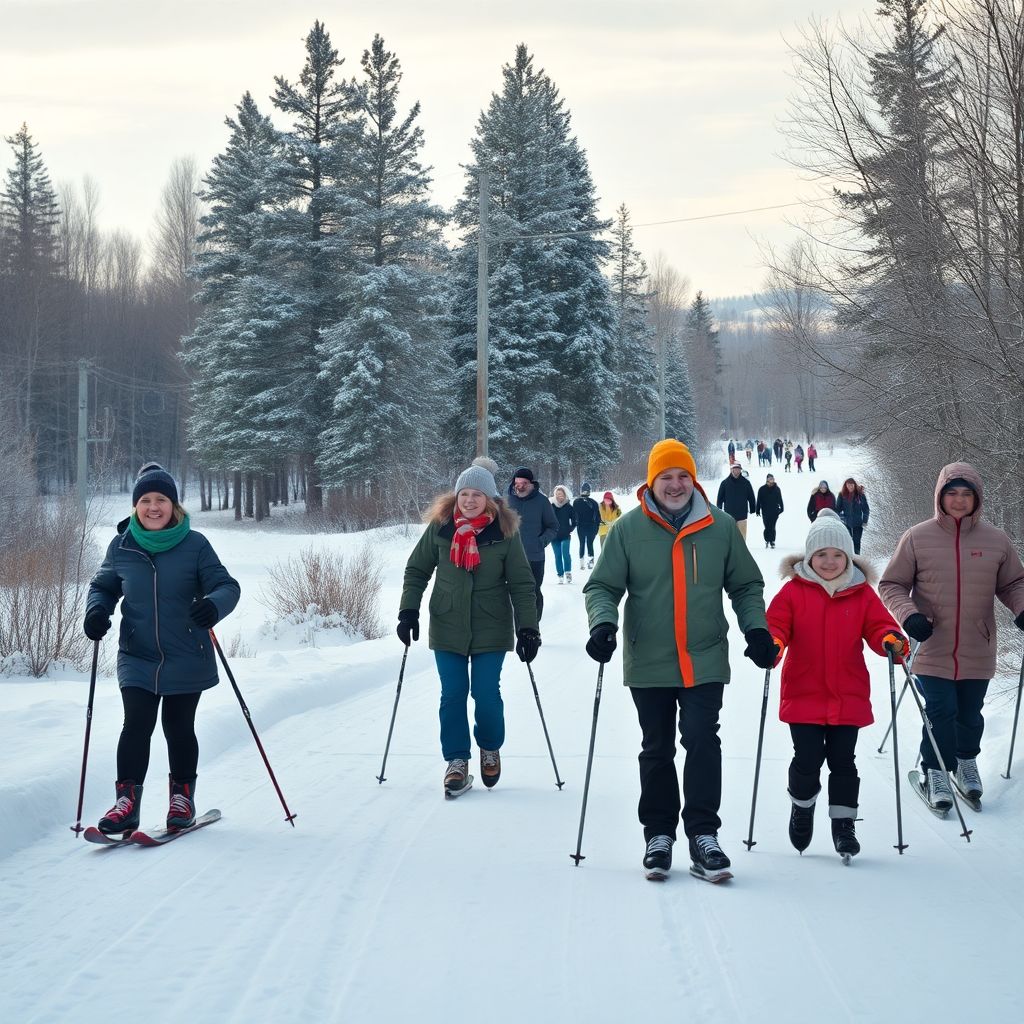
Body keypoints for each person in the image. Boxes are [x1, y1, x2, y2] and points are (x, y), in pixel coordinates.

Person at [583, 438, 775, 882]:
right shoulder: (629, 529)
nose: (674, 485)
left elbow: (746, 585)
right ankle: (659, 833)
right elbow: (602, 587)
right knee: (657, 747)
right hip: (648, 658)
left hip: (704, 657)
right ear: (652, 482)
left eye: (682, 476)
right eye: (665, 477)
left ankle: (703, 834)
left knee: (702, 740)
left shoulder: (720, 527)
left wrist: (756, 629)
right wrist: (602, 624)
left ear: (694, 480)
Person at [83, 463, 240, 835]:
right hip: (137, 655)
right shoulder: (122, 545)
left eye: (162, 500)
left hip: (187, 653)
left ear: (174, 505)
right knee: (136, 724)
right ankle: (127, 804)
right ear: (136, 505)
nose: (154, 507)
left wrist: (213, 605)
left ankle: (181, 800)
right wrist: (96, 611)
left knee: (178, 726)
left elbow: (227, 586)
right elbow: (103, 586)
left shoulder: (195, 544)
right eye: (146, 500)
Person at [879, 463, 1024, 812]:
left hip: (978, 644)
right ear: (940, 497)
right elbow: (891, 584)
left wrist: (1021, 608)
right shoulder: (917, 536)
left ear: (977, 498)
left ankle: (965, 762)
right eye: (952, 493)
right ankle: (935, 772)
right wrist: (909, 616)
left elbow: (1014, 583)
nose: (959, 500)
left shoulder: (995, 540)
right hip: (932, 643)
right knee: (941, 710)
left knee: (970, 713)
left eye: (966, 493)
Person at [767, 509, 907, 859]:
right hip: (804, 694)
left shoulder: (861, 594)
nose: (829, 562)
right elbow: (777, 625)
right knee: (807, 759)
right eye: (822, 555)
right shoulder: (793, 592)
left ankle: (843, 824)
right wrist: (772, 644)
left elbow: (878, 626)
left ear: (848, 557)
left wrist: (891, 639)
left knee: (844, 761)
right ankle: (802, 806)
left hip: (848, 695)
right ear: (809, 557)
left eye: (837, 555)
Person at [398, 461, 541, 796]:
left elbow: (522, 584)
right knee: (452, 694)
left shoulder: (504, 533)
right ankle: (457, 760)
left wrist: (528, 629)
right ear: (456, 496)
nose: (470, 500)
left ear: (490, 499)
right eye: (464, 493)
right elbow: (416, 571)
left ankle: (490, 748)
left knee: (486, 693)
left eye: (477, 494)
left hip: (492, 624)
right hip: (447, 622)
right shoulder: (440, 527)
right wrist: (408, 611)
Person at [506, 467, 557, 622]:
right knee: (512, 593)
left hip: (535, 557)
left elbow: (553, 526)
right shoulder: (506, 501)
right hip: (510, 558)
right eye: (517, 483)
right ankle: (519, 628)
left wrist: (540, 542)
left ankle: (534, 627)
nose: (520, 486)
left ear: (532, 484)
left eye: (524, 483)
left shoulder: (542, 501)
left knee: (533, 591)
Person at [715, 463, 756, 539]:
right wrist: (719, 506)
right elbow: (720, 497)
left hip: (742, 514)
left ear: (740, 471)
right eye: (735, 469)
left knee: (742, 537)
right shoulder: (725, 483)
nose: (737, 471)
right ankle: (731, 550)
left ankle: (741, 550)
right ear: (731, 470)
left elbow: (751, 496)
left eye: (738, 469)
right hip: (729, 514)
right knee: (730, 537)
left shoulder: (746, 483)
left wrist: (753, 508)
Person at [835, 478, 870, 555]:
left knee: (856, 541)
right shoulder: (842, 495)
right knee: (847, 541)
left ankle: (857, 558)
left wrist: (865, 520)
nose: (850, 486)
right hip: (846, 523)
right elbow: (837, 509)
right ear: (846, 486)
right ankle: (848, 558)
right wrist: (842, 517)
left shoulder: (860, 495)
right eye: (848, 485)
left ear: (854, 485)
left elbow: (866, 509)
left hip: (858, 523)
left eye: (851, 485)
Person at [550, 485, 576, 584]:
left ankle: (568, 572)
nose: (559, 496)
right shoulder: (551, 506)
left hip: (565, 535)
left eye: (561, 494)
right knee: (557, 555)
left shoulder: (569, 507)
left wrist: (570, 529)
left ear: (564, 495)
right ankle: (560, 575)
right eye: (557, 494)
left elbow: (575, 520)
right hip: (554, 536)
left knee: (565, 554)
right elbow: (547, 519)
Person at [573, 482, 600, 570]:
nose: (585, 492)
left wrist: (596, 527)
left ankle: (588, 562)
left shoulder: (592, 503)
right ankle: (584, 562)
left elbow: (598, 517)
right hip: (583, 526)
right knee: (584, 543)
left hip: (589, 526)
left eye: (586, 491)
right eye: (584, 491)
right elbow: (574, 515)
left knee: (587, 543)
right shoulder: (578, 502)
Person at [755, 474, 784, 549]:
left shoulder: (777, 489)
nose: (771, 480)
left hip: (774, 511)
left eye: (772, 479)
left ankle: (772, 541)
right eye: (770, 479)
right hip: (765, 511)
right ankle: (767, 539)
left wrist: (782, 508)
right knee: (767, 526)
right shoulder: (762, 489)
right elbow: (758, 500)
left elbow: (780, 499)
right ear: (767, 480)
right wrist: (757, 510)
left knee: (772, 526)